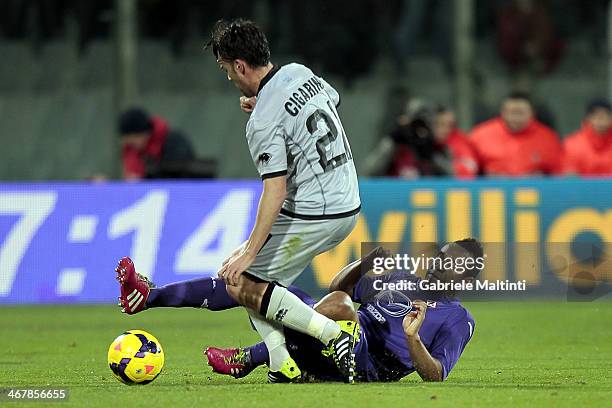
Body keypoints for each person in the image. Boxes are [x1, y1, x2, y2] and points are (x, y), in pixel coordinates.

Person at [117, 19, 361, 383]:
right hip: (348, 198)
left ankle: (333, 335)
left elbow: (275, 190)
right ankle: (281, 363)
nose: (228, 77)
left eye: (225, 69)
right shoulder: (299, 72)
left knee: (242, 278)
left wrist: (250, 250)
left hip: (317, 208)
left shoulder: (262, 121)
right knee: (243, 277)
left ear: (240, 66)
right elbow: (332, 101)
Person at [113, 240, 479, 383]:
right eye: (442, 255)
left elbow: (435, 375)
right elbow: (340, 289)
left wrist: (413, 339)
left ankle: (258, 354)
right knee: (254, 285)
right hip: (337, 336)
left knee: (323, 307)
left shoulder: (459, 320)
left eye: (452, 262)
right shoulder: (402, 279)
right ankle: (150, 297)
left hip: (372, 364)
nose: (440, 262)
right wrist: (365, 263)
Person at [469, 92, 562, 176]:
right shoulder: (480, 135)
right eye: (511, 112)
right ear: (502, 112)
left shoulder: (547, 138)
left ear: (532, 113)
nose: (515, 118)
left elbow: (559, 174)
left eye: (520, 113)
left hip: (533, 192)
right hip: (493, 191)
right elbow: (467, 170)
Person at [119, 107, 196, 180]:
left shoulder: (174, 143)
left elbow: (180, 173)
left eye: (133, 139)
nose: (132, 145)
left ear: (145, 133)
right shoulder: (131, 151)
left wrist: (143, 181)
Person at [563, 99, 612, 176]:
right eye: (597, 117)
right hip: (582, 187)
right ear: (588, 119)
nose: (601, 121)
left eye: (605, 116)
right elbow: (569, 175)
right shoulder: (573, 144)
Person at [432, 105, 478, 179]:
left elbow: (470, 170)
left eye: (450, 125)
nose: (446, 129)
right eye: (440, 124)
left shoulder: (458, 138)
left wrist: (450, 165)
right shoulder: (423, 140)